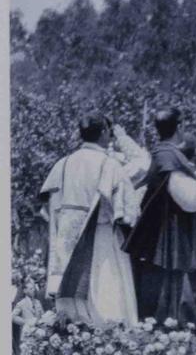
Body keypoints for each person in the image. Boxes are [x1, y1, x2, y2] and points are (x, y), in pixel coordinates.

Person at [41, 116, 146, 325]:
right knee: (107, 297)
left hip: (66, 241)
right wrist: (123, 138)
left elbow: (49, 209)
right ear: (105, 133)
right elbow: (142, 169)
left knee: (72, 308)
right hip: (101, 238)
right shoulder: (109, 164)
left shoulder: (62, 164)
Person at [124, 108, 196, 324]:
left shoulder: (162, 152)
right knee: (179, 284)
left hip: (166, 226)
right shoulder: (170, 156)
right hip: (176, 228)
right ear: (180, 126)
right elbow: (189, 198)